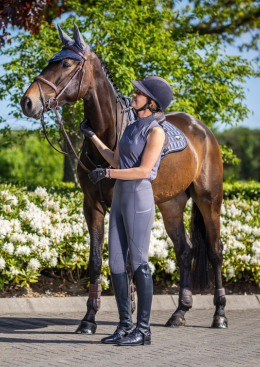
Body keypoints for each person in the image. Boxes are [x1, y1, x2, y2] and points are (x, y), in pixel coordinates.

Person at [80, 76, 173, 346]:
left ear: (152, 103)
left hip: (138, 196)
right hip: (120, 195)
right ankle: (124, 325)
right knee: (117, 264)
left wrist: (107, 173)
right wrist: (93, 137)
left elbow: (144, 171)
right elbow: (115, 158)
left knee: (139, 262)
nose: (133, 95)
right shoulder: (130, 127)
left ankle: (143, 331)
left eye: (139, 93)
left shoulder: (156, 132)